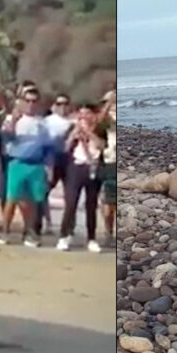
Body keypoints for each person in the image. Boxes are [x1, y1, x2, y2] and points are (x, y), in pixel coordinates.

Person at [0, 87, 54, 247]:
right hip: (17, 162)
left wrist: (49, 167)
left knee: (32, 202)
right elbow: (7, 137)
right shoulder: (13, 119)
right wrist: (14, 120)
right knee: (12, 199)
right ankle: (5, 232)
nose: (30, 104)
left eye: (34, 101)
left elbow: (47, 148)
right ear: (22, 102)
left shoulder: (42, 123)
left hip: (36, 165)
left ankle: (29, 233)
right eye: (27, 101)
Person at [57, 103, 104, 253]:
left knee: (91, 205)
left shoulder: (100, 128)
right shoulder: (72, 128)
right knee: (71, 204)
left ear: (93, 115)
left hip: (94, 168)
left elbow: (102, 145)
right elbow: (64, 148)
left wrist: (88, 133)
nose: (84, 116)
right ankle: (64, 236)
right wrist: (74, 135)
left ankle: (91, 238)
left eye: (87, 113)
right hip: (76, 168)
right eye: (81, 113)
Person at [42, 93, 74, 232]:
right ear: (54, 105)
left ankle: (69, 226)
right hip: (52, 159)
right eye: (59, 104)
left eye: (65, 104)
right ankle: (46, 223)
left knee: (71, 195)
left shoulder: (74, 121)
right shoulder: (47, 121)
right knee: (44, 192)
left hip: (69, 161)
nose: (62, 107)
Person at [100, 119, 117, 245]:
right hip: (106, 166)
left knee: (113, 204)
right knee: (107, 204)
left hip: (114, 165)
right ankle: (108, 233)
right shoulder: (102, 131)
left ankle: (110, 233)